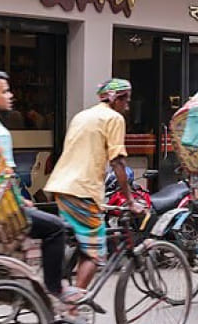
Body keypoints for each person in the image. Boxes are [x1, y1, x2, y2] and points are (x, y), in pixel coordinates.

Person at [0, 70, 83, 304]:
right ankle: (56, 289)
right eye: (5, 91)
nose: (11, 96)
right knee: (56, 228)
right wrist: (19, 201)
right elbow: (5, 179)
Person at [44, 78, 138, 293]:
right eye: (126, 101)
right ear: (116, 100)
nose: (127, 106)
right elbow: (117, 162)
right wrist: (130, 200)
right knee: (95, 253)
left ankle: (62, 289)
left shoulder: (83, 115)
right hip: (83, 189)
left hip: (61, 187)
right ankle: (76, 304)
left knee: (80, 240)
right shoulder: (114, 118)